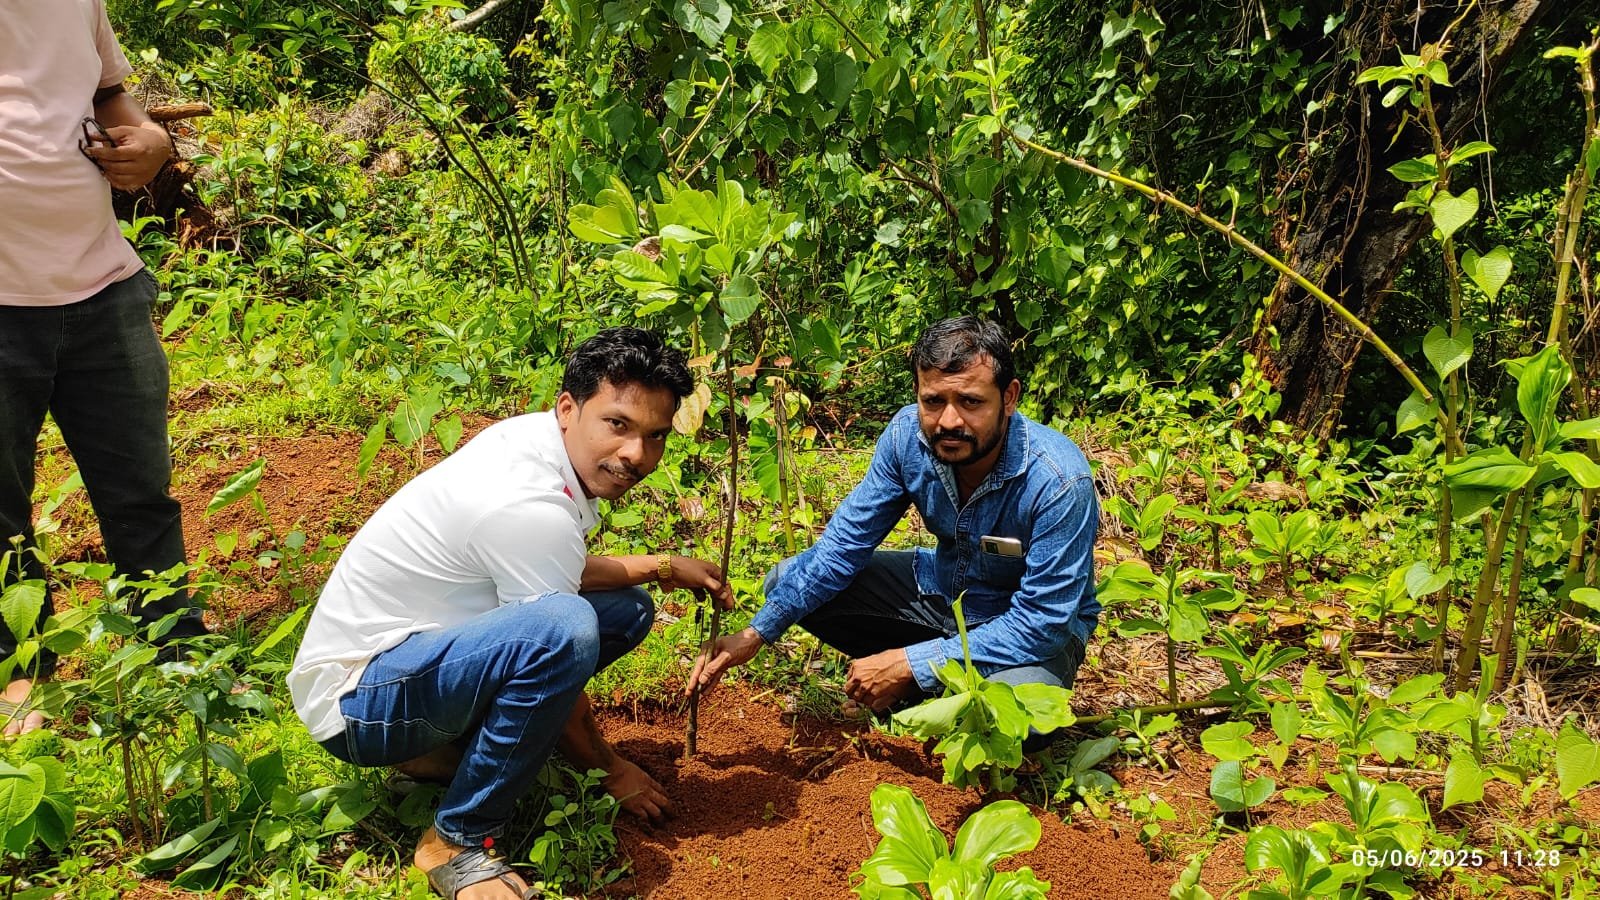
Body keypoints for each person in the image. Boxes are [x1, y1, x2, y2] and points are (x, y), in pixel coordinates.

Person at [289, 327, 729, 900]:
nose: (636, 455)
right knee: (566, 630)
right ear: (569, 408)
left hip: (410, 660)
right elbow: (555, 629)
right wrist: (610, 769)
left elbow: (554, 566)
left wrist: (664, 565)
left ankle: (437, 755)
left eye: (654, 436)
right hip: (360, 705)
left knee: (623, 611)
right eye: (618, 425)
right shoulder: (529, 503)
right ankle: (459, 838)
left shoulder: (538, 441)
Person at [689, 316, 1100, 748]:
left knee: (1022, 722)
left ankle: (923, 683)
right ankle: (933, 683)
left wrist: (910, 663)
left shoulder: (1057, 481)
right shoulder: (908, 437)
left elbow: (1042, 623)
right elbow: (843, 547)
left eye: (971, 402)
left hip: (1019, 630)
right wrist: (756, 634)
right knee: (786, 583)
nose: (949, 421)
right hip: (941, 596)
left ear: (1009, 397)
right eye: (933, 401)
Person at [1, 0, 209, 736]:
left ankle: (175, 650)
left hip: (102, 287)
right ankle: (22, 673)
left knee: (140, 492)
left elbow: (107, 94)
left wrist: (149, 136)